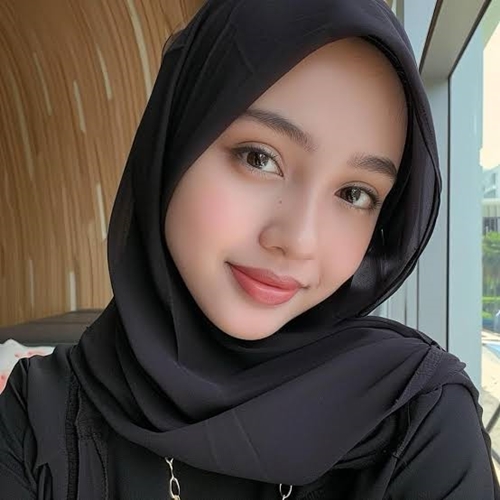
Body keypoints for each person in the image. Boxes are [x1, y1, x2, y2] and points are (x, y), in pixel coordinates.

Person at [1, 0, 499, 498]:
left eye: (354, 194)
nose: (299, 240)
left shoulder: (418, 420)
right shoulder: (33, 420)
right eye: (259, 158)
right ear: (175, 141)